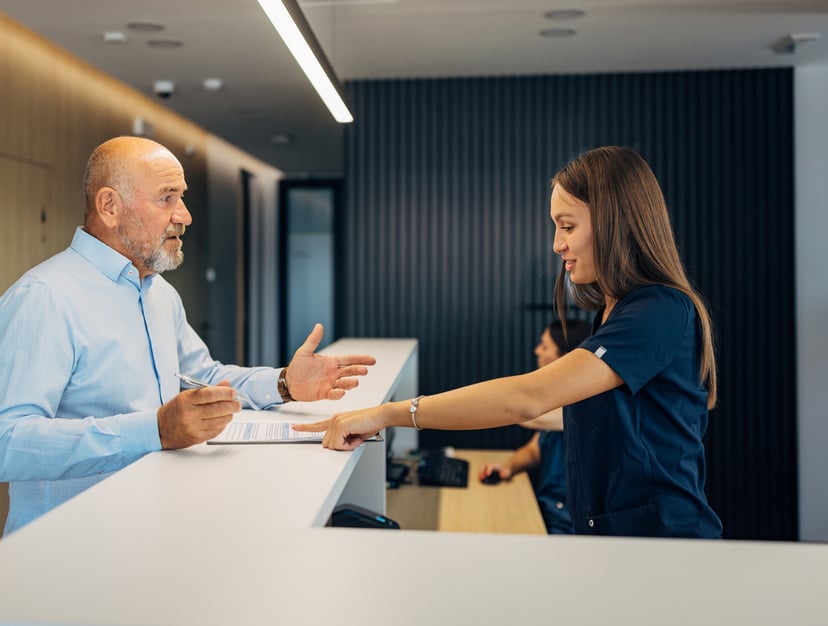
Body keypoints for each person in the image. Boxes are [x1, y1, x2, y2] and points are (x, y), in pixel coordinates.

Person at [296, 146, 723, 538]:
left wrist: (387, 414)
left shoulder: (658, 311)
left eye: (568, 226)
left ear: (615, 222)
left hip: (663, 545)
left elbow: (529, 397)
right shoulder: (615, 314)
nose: (558, 245)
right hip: (616, 539)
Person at [0, 136, 376, 535]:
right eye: (167, 198)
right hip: (69, 551)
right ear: (109, 207)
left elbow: (203, 376)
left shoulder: (158, 293)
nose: (184, 216)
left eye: (182, 198)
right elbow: (5, 444)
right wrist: (155, 429)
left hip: (154, 527)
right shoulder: (43, 298)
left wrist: (284, 383)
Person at [478, 319, 591, 535]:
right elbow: (533, 451)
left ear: (567, 359)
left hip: (567, 527)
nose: (537, 350)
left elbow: (525, 413)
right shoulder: (557, 402)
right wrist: (509, 467)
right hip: (546, 512)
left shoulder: (583, 407)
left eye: (545, 346)